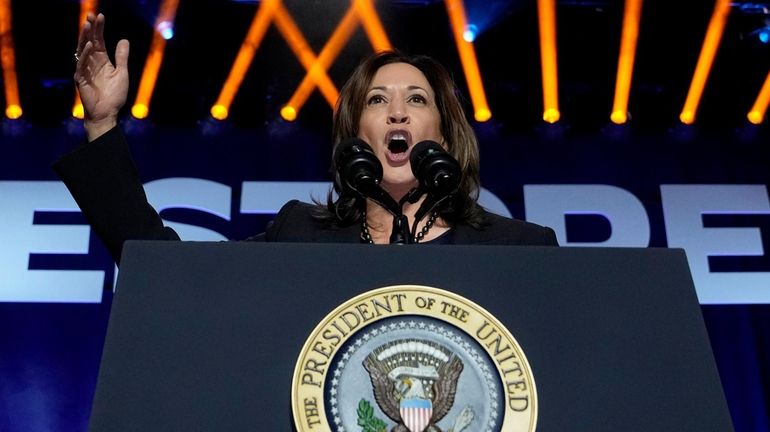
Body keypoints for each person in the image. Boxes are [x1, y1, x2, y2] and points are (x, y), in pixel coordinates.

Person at [55, 13, 558, 265]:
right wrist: (101, 125)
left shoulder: (520, 250)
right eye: (377, 101)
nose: (398, 111)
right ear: (356, 136)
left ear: (445, 136)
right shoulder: (301, 237)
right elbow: (166, 275)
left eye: (418, 100)